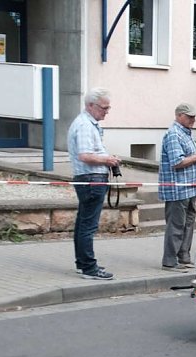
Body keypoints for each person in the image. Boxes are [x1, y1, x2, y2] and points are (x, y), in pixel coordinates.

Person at [67, 87, 120, 280]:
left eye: (108, 108)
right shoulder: (85, 126)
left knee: (83, 224)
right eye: (103, 107)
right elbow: (85, 155)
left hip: (89, 180)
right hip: (91, 180)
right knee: (88, 226)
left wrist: (107, 158)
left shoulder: (87, 124)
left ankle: (83, 264)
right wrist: (108, 160)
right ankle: (89, 267)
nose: (106, 111)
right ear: (90, 105)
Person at [159, 103, 196, 272]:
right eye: (189, 117)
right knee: (176, 225)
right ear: (179, 116)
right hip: (178, 189)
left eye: (194, 117)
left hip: (190, 188)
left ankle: (184, 257)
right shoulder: (174, 134)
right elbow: (177, 162)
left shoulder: (185, 134)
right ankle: (170, 261)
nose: (193, 120)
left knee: (188, 224)